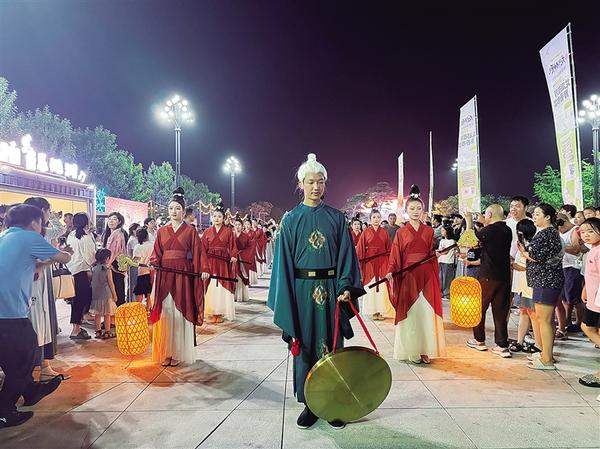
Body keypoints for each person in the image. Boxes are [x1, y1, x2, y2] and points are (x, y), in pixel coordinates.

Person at [268, 153, 364, 430]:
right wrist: (287, 301)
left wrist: (345, 287)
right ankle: (310, 404)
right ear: (301, 184)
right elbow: (283, 265)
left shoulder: (336, 218)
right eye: (310, 182)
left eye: (320, 181)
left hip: (332, 293)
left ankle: (332, 402)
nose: (316, 186)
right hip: (301, 293)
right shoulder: (290, 220)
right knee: (306, 347)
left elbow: (347, 257)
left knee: (332, 348)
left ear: (325, 183)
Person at [0, 204, 71, 428]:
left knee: (12, 360)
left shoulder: (5, 237)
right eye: (42, 222)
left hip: (6, 314)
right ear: (33, 222)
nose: (43, 226)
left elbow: (22, 265)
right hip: (10, 315)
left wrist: (41, 264)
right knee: (26, 357)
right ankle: (4, 411)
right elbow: (64, 258)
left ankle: (31, 391)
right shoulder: (29, 237)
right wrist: (63, 253)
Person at [386, 185, 446, 364]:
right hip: (409, 277)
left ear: (423, 210)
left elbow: (430, 253)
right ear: (406, 211)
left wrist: (435, 255)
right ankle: (412, 350)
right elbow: (395, 254)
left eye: (418, 208)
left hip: (426, 276)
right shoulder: (401, 232)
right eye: (412, 208)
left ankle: (425, 349)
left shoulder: (429, 231)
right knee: (412, 314)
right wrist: (390, 271)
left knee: (426, 313)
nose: (415, 211)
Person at [150, 187, 204, 366]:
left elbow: (198, 253)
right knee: (166, 312)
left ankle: (178, 353)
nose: (174, 211)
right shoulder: (161, 231)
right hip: (165, 274)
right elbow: (156, 253)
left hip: (182, 275)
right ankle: (166, 351)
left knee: (180, 312)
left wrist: (203, 269)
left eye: (178, 208)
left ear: (183, 210)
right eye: (171, 208)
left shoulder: (190, 231)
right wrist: (154, 262)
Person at [518, 203, 564, 370]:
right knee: (546, 320)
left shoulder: (547, 233)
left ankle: (547, 359)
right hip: (545, 280)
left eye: (538, 214)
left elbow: (536, 256)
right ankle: (546, 353)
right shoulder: (549, 232)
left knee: (544, 320)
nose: (534, 217)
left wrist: (523, 252)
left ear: (548, 217)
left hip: (546, 280)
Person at [23, 197, 65, 380]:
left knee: (42, 321)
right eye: (48, 211)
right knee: (37, 323)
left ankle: (43, 366)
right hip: (33, 283)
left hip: (39, 281)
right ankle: (37, 369)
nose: (49, 214)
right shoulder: (34, 235)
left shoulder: (36, 232)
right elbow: (61, 254)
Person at [465, 204, 513, 358]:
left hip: (487, 275)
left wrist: (469, 221)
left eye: (485, 214)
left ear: (490, 214)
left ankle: (479, 340)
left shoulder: (488, 231)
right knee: (500, 311)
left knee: (478, 308)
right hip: (504, 276)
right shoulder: (507, 230)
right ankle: (502, 345)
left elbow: (469, 242)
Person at [201, 205, 238, 323]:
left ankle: (220, 312)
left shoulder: (228, 231)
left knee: (222, 287)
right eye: (215, 216)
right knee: (211, 286)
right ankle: (211, 311)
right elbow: (202, 249)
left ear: (223, 218)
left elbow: (233, 246)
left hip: (223, 263)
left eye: (219, 216)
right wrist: (204, 265)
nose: (217, 219)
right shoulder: (207, 232)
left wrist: (233, 255)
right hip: (210, 263)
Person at [355, 209, 394, 320]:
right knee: (370, 286)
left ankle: (380, 311)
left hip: (383, 262)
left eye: (378, 217)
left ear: (381, 218)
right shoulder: (366, 232)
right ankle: (373, 311)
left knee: (382, 286)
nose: (376, 219)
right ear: (370, 219)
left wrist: (390, 265)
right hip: (370, 263)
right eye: (374, 217)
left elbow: (390, 249)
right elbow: (360, 249)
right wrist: (361, 263)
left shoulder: (384, 232)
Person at [509, 219, 541, 353]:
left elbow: (531, 265)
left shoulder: (532, 246)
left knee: (533, 314)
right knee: (524, 312)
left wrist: (514, 265)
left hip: (530, 286)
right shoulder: (523, 245)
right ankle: (520, 341)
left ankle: (539, 344)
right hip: (522, 285)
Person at [66, 213, 97, 340]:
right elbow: (91, 257)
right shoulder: (85, 237)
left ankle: (77, 326)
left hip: (72, 270)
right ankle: (76, 330)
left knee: (76, 301)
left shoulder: (71, 235)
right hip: (82, 272)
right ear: (86, 222)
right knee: (81, 300)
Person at [577, 218, 600, 387]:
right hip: (593, 301)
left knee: (587, 327)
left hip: (598, 301)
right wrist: (585, 288)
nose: (586, 235)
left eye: (591, 231)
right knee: (588, 328)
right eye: (583, 231)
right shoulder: (593, 249)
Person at [556, 214, 585, 338]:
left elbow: (575, 249)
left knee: (575, 297)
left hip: (573, 266)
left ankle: (579, 322)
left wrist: (559, 246)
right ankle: (566, 320)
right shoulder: (559, 231)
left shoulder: (574, 230)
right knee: (564, 297)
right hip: (562, 266)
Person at [90, 248, 117, 339]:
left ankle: (98, 332)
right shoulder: (107, 270)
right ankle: (107, 332)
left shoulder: (93, 269)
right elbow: (111, 284)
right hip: (106, 294)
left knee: (97, 314)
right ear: (107, 259)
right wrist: (115, 295)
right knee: (107, 314)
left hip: (95, 295)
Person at [102, 212, 128, 306]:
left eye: (114, 219)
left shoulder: (118, 234)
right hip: (116, 265)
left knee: (116, 289)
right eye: (109, 219)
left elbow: (113, 252)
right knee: (117, 289)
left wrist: (107, 265)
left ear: (119, 222)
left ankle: (118, 312)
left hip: (114, 265)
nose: (111, 221)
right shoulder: (113, 233)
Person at [133, 228, 154, 312]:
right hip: (152, 272)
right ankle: (148, 310)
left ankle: (138, 310)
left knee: (139, 292)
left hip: (141, 272)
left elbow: (135, 261)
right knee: (149, 292)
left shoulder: (138, 247)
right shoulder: (152, 245)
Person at [233, 217, 253, 302]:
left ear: (242, 226)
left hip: (242, 260)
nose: (237, 226)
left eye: (239, 225)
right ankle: (233, 295)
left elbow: (250, 248)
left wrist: (241, 253)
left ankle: (241, 296)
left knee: (241, 277)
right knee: (233, 276)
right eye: (236, 225)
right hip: (233, 260)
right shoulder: (231, 236)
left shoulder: (245, 236)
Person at [437, 225, 457, 299]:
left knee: (447, 278)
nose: (441, 232)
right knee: (440, 278)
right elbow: (440, 250)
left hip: (448, 261)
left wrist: (438, 253)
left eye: (443, 230)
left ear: (447, 231)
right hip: (441, 260)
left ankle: (447, 293)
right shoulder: (441, 240)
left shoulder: (451, 241)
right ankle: (441, 293)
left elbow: (445, 252)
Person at [127, 223, 141, 301]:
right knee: (133, 284)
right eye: (138, 229)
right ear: (133, 230)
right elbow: (134, 255)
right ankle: (132, 301)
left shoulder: (134, 239)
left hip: (133, 264)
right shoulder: (133, 240)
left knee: (132, 283)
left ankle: (130, 300)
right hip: (133, 264)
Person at [244, 219, 258, 285]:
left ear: (250, 225)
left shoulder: (253, 233)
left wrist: (247, 244)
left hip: (250, 252)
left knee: (249, 266)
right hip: (243, 252)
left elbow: (254, 242)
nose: (247, 226)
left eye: (248, 224)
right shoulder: (243, 232)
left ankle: (249, 281)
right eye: (246, 224)